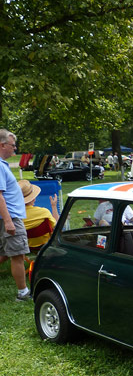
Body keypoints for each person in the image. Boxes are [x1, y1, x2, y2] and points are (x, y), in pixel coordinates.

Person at [0, 129, 32, 301]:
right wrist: (8, 221)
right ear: (2, 145)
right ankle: (23, 293)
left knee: (4, 254)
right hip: (9, 218)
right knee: (18, 255)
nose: (15, 148)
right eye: (13, 145)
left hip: (7, 217)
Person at [19, 180, 59, 248]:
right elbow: (57, 226)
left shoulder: (14, 216)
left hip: (24, 246)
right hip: (45, 245)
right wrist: (54, 206)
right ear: (33, 198)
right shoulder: (44, 213)